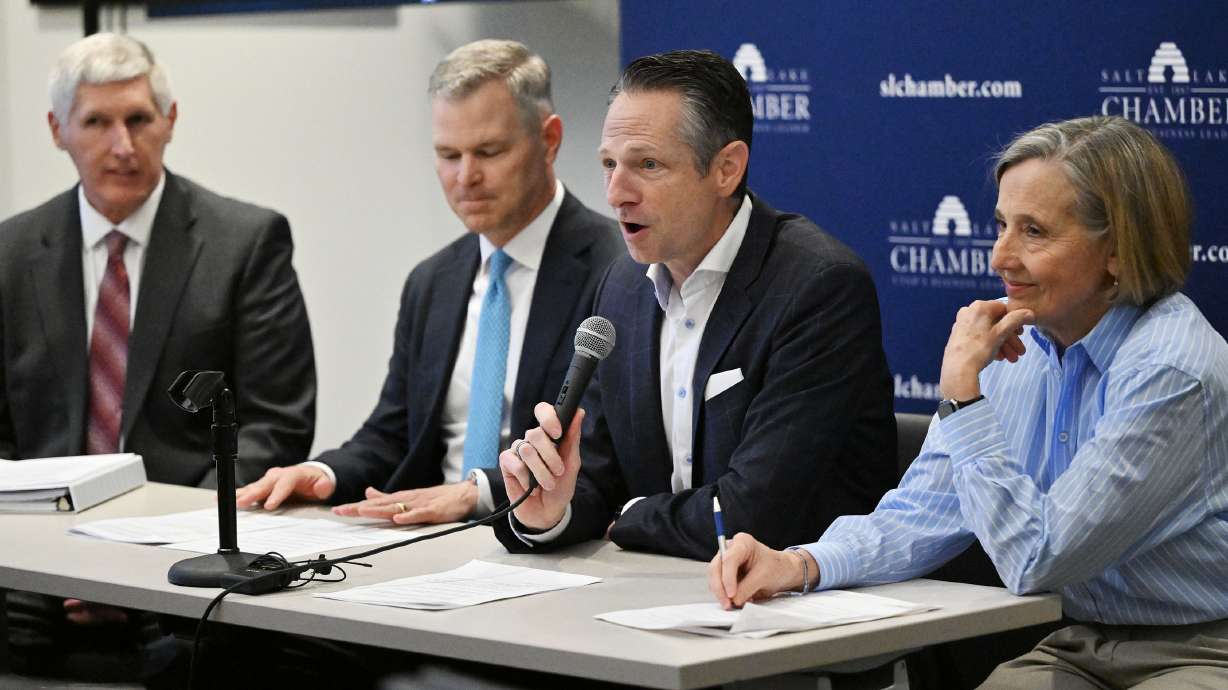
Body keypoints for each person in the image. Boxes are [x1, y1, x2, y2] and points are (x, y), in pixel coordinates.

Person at [712, 115, 1228, 688]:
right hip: (1080, 639)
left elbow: (1040, 557)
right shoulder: (1022, 346)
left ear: (1116, 249)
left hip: (1202, 647)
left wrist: (962, 399)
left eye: (1034, 232)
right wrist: (799, 564)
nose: (999, 257)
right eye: (1002, 225)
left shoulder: (1170, 369)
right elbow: (920, 514)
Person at [495, 49, 896, 561]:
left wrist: (633, 514)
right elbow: (596, 474)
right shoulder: (622, 285)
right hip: (659, 595)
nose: (617, 193)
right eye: (608, 164)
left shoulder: (818, 287)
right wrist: (548, 513)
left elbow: (755, 512)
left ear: (726, 169)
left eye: (648, 164)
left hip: (803, 610)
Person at [0, 32, 315, 680]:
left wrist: (142, 553)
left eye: (139, 119)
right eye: (97, 122)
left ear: (170, 122)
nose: (122, 145)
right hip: (32, 565)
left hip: (183, 558)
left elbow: (275, 425)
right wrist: (54, 555)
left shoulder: (245, 242)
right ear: (58, 130)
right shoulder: (10, 252)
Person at [236, 39, 623, 525]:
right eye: (447, 154)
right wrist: (323, 472)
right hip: (427, 536)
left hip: (547, 538)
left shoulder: (616, 272)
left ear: (549, 141)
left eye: (488, 151)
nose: (466, 177)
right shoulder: (431, 282)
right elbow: (394, 433)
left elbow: (600, 451)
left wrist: (475, 492)